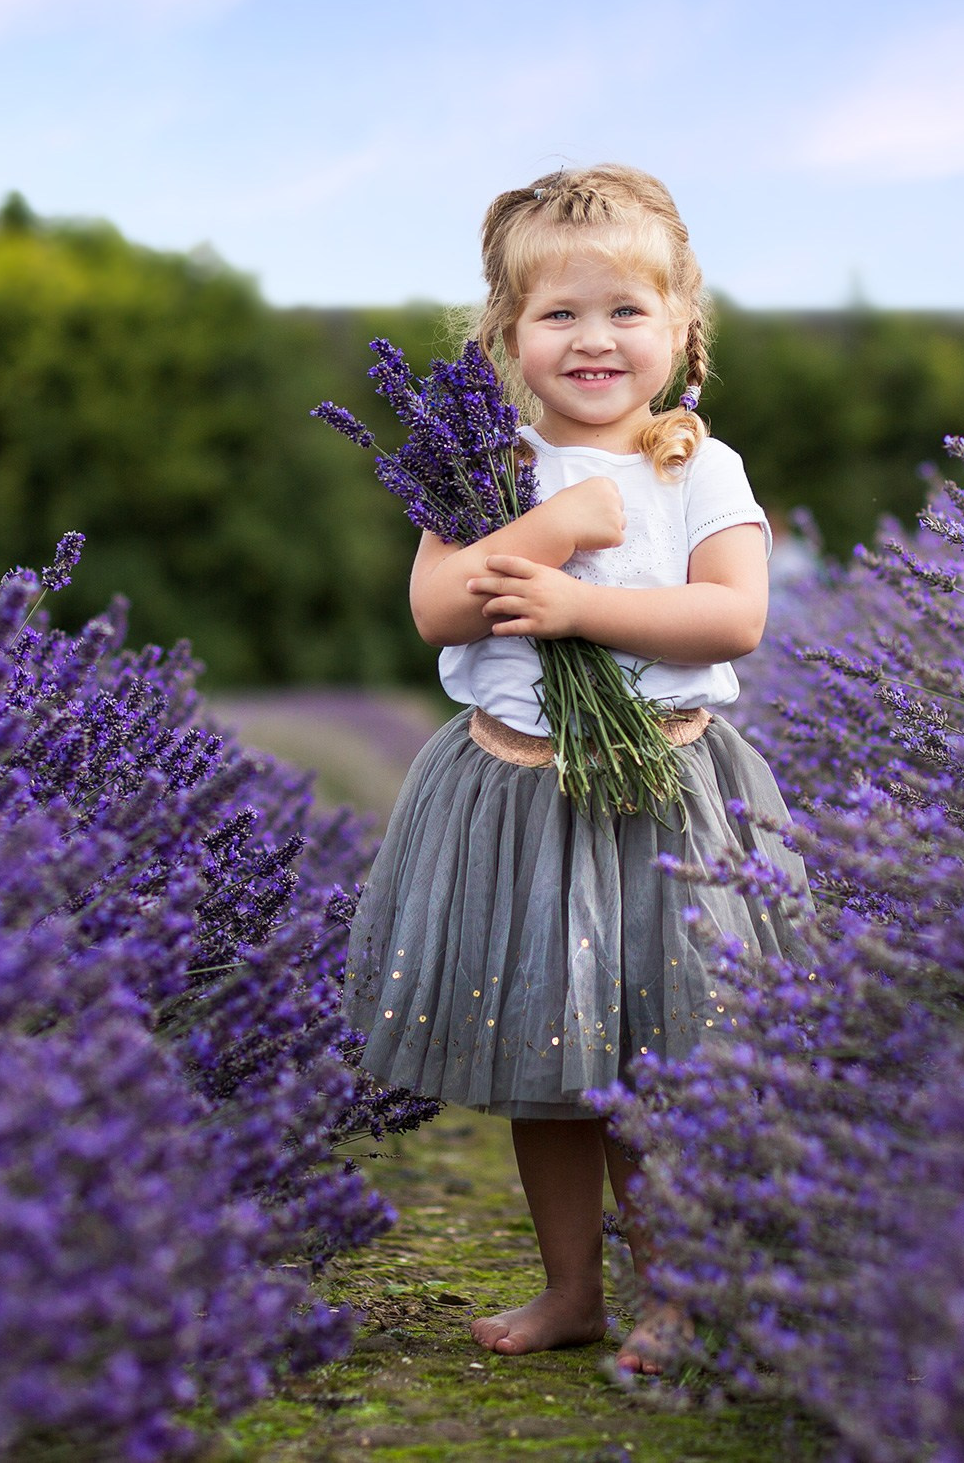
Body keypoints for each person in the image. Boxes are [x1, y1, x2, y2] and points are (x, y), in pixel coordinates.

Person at [344, 165, 811, 1374]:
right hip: (515, 801)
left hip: (659, 799)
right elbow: (440, 610)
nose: (593, 339)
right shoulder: (474, 467)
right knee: (544, 1073)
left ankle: (676, 1296)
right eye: (559, 314)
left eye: (624, 312)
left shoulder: (698, 466)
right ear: (506, 335)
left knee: (653, 1075)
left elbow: (732, 621)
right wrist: (548, 530)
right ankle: (570, 1291)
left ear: (679, 331)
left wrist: (571, 610)